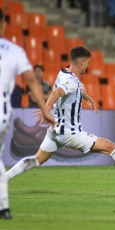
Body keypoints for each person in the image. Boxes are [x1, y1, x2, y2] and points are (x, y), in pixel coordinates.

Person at [5, 46, 115, 195]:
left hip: (55, 131)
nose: (88, 66)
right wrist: (46, 109)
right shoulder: (71, 82)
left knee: (36, 159)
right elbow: (58, 92)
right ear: (81, 63)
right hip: (70, 133)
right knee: (110, 147)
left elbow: (72, 88)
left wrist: (86, 97)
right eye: (87, 63)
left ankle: (3, 179)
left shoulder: (64, 73)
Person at [0, 8, 55, 219]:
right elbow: (31, 80)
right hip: (3, 113)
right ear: (4, 25)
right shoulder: (14, 50)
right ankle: (3, 207)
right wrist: (45, 109)